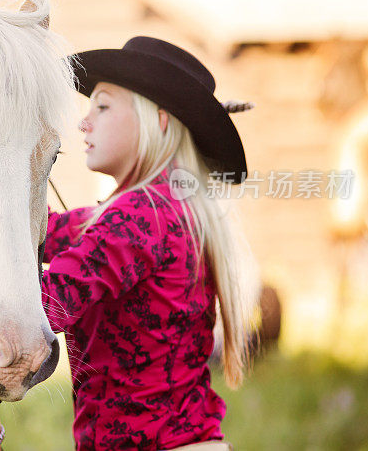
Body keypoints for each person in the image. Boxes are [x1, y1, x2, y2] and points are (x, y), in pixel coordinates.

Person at [41, 36, 254, 450]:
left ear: (158, 121)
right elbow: (46, 233)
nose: (84, 123)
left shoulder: (140, 216)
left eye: (102, 106)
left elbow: (41, 305)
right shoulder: (167, 210)